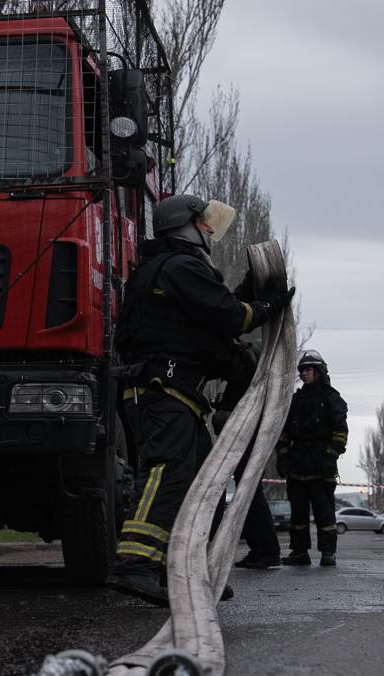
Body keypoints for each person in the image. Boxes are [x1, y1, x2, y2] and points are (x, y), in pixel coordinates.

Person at [105, 194, 294, 606]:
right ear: (186, 225)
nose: (210, 229)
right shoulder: (181, 265)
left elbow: (210, 316)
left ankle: (182, 570)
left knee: (202, 485)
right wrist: (267, 306)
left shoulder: (173, 269)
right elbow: (231, 317)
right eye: (205, 223)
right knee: (167, 474)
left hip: (180, 393)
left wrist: (246, 294)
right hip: (164, 389)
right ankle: (135, 564)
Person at [209, 340, 282, 570]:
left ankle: (269, 551)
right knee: (245, 495)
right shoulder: (248, 379)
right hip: (242, 437)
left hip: (246, 438)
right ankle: (258, 549)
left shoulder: (251, 377)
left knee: (250, 494)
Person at [276, 350, 348, 567]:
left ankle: (328, 552)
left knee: (324, 513)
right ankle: (299, 552)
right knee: (298, 513)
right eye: (303, 370)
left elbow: (340, 433)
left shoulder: (332, 399)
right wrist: (282, 456)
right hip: (297, 465)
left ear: (319, 372)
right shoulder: (296, 400)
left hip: (321, 465)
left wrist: (330, 456)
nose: (305, 373)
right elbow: (284, 432)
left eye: (309, 370)